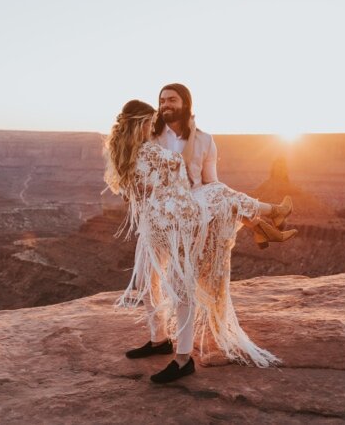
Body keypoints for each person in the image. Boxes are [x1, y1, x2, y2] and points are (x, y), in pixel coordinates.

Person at [103, 98, 294, 385]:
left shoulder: (123, 152)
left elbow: (138, 190)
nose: (160, 114)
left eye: (170, 101)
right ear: (142, 124)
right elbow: (177, 180)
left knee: (180, 284)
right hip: (172, 221)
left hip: (167, 220)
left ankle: (183, 358)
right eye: (153, 114)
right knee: (150, 280)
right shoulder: (151, 148)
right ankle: (159, 340)